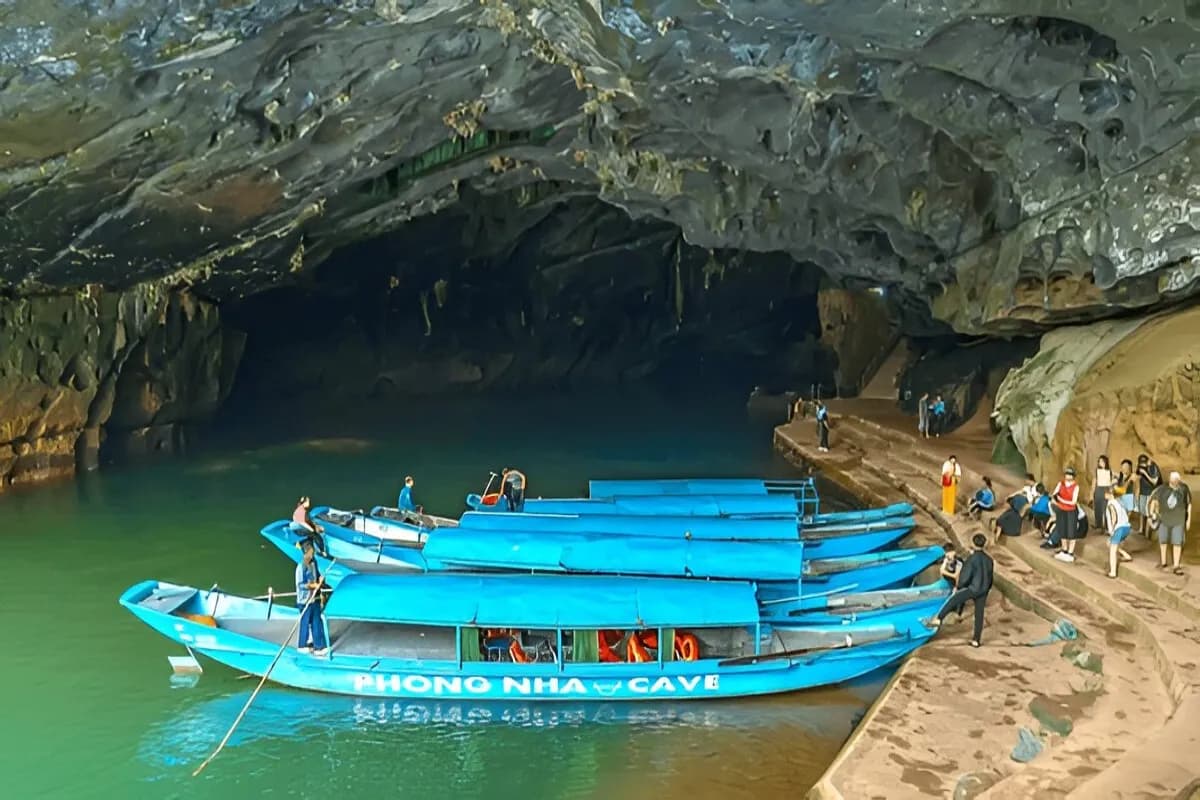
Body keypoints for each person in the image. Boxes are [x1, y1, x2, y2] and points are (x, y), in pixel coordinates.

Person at [932, 533, 994, 647]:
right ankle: (976, 640)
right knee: (979, 615)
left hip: (972, 588)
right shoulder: (989, 560)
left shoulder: (972, 559)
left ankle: (939, 619)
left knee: (953, 599)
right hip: (983, 590)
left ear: (973, 544)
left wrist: (960, 586)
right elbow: (990, 577)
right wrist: (987, 588)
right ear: (984, 544)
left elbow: (965, 576)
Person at [1150, 471, 1192, 575]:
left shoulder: (1184, 489)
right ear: (1170, 480)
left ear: (1179, 480)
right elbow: (1154, 500)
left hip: (1179, 519)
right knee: (1163, 540)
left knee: (1177, 542)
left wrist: (1188, 520)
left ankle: (1176, 565)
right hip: (1164, 519)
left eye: (1176, 481)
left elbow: (1189, 504)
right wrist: (1152, 513)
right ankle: (1163, 562)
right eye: (1173, 481)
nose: (1174, 483)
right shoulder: (1163, 489)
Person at [295, 542, 328, 657]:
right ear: (305, 553)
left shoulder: (314, 563)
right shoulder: (301, 567)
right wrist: (312, 586)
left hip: (315, 599)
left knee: (316, 622)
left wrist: (321, 579)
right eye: (310, 553)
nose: (312, 555)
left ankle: (319, 646)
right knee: (305, 623)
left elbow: (317, 575)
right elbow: (301, 585)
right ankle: (302, 645)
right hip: (305, 601)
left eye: (312, 553)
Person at [1051, 468, 1081, 562]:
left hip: (1071, 510)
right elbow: (1054, 495)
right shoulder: (1061, 484)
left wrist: (1061, 500)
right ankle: (1064, 549)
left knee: (1071, 531)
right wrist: (1057, 501)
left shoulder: (1076, 486)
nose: (1067, 476)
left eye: (1069, 475)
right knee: (1062, 529)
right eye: (1066, 474)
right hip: (1061, 509)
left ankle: (1070, 552)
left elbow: (1073, 502)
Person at [1104, 488, 1133, 579]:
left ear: (1110, 494)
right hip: (1126, 527)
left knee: (1112, 550)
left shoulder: (1111, 503)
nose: (1105, 494)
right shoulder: (1119, 502)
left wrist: (1112, 530)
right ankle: (1126, 555)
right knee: (1109, 543)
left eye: (1106, 493)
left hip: (1118, 527)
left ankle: (1113, 572)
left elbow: (1113, 516)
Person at [1137, 454, 1163, 537]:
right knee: (1142, 510)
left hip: (1152, 492)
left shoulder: (1153, 468)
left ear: (1148, 461)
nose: (1142, 466)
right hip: (1143, 492)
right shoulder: (1141, 467)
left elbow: (1154, 482)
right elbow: (1138, 480)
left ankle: (1150, 531)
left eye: (1144, 463)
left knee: (1150, 512)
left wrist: (1145, 473)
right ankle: (1141, 528)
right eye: (1141, 464)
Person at [1093, 455, 1112, 529]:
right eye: (1099, 461)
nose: (1100, 463)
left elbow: (1110, 482)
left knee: (1106, 508)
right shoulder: (1097, 471)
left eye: (1101, 461)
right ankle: (1098, 524)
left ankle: (1107, 525)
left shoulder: (1109, 471)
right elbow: (1094, 481)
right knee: (1097, 507)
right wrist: (1093, 491)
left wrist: (1110, 491)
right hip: (1098, 490)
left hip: (1106, 490)